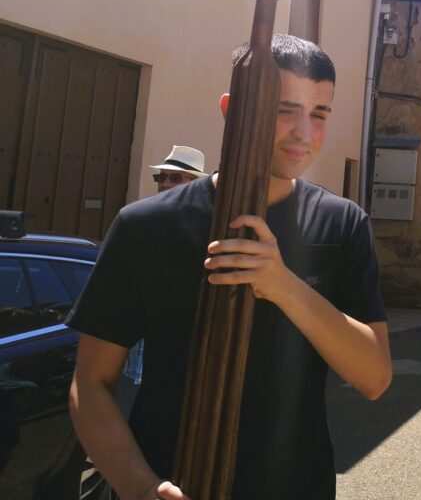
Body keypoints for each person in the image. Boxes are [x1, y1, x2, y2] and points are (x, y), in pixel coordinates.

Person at [68, 35, 392, 500]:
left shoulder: (342, 225)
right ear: (231, 109)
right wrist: (140, 486)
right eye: (285, 110)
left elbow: (375, 377)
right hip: (169, 479)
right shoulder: (147, 225)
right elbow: (90, 382)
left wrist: (283, 285)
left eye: (320, 113)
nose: (304, 132)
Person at [121, 146, 211, 401]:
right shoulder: (142, 222)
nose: (165, 184)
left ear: (194, 184)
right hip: (138, 347)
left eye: (175, 178)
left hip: (182, 356)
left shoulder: (208, 228)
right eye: (161, 177)